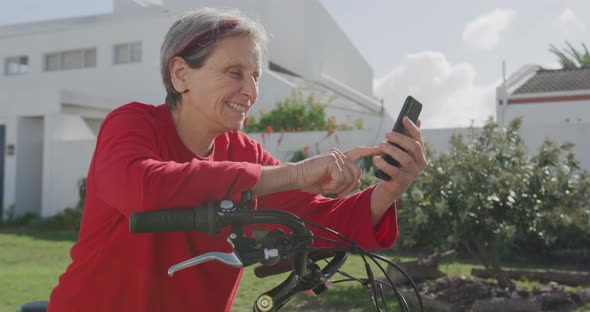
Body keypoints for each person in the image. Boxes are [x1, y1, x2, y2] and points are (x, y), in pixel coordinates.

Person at [47, 7, 427, 312]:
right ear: (181, 74)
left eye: (256, 76)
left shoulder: (244, 153)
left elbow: (317, 220)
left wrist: (390, 189)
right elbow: (144, 186)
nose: (251, 90)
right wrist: (293, 173)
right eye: (235, 73)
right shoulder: (131, 124)